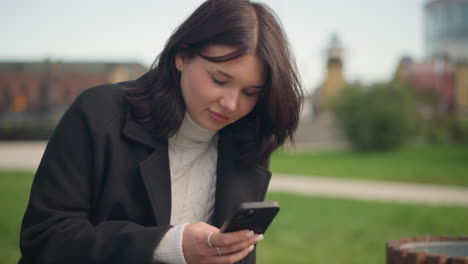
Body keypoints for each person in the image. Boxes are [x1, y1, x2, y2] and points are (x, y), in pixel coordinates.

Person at [19, 0, 302, 263]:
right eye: (219, 80)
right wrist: (170, 245)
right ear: (182, 56)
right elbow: (46, 238)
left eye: (250, 92)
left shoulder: (248, 138)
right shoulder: (99, 112)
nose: (231, 104)